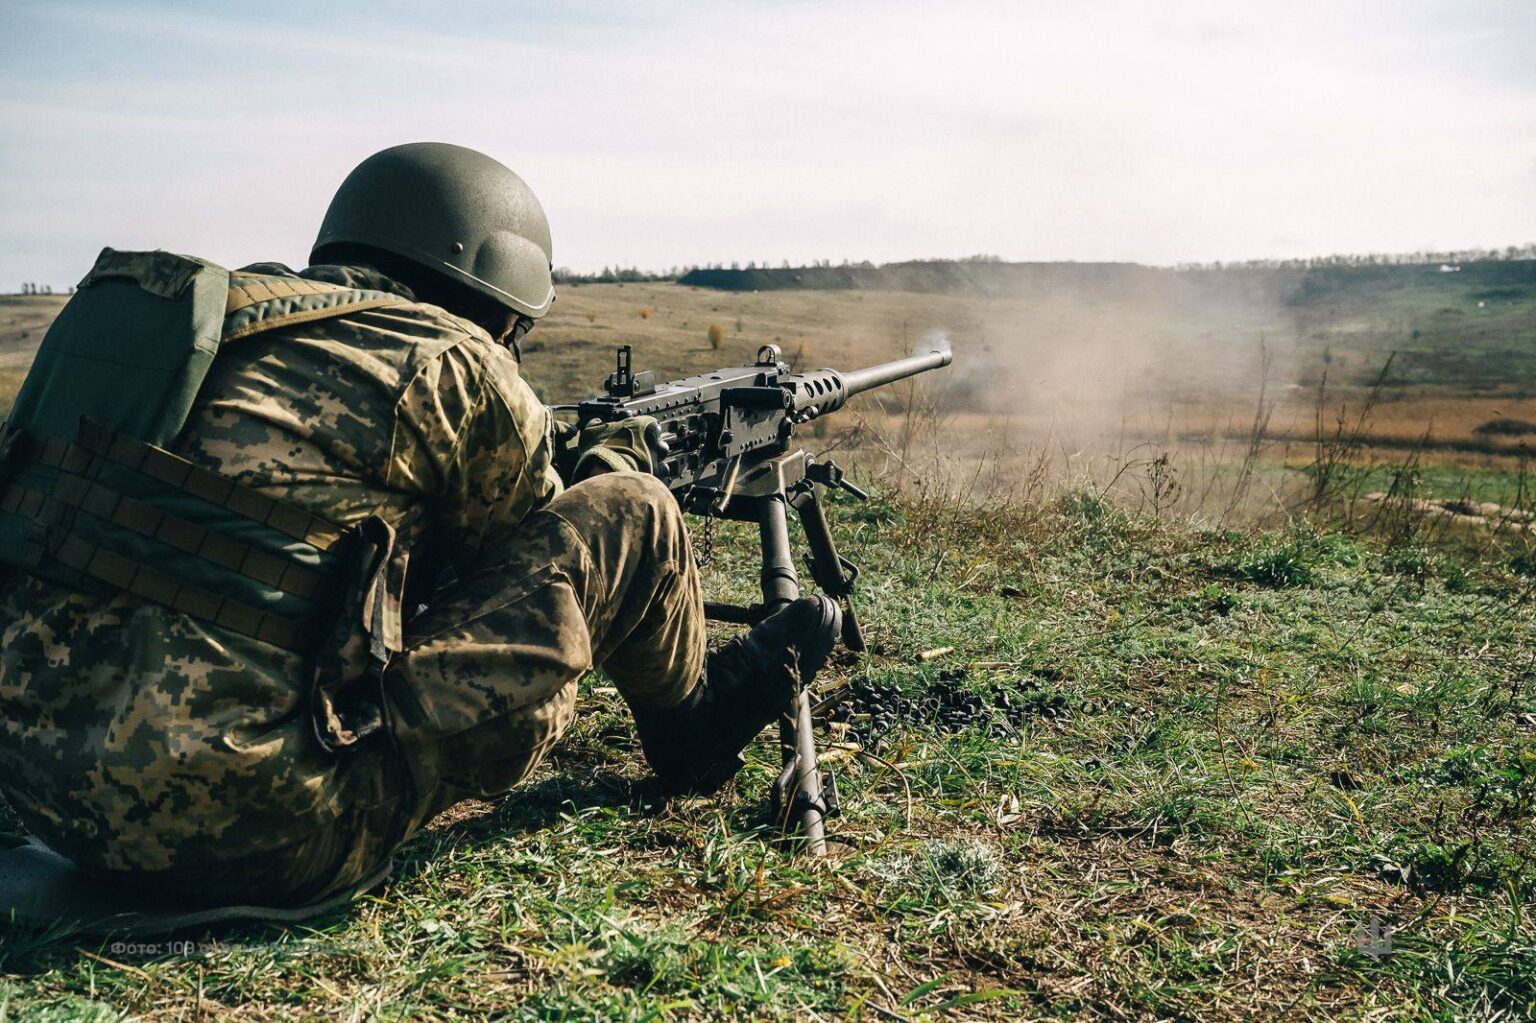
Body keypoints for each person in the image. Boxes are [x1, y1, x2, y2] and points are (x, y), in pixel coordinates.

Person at [0, 143, 839, 911]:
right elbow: (523, 553)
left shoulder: (201, 325)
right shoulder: (449, 359)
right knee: (638, 513)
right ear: (496, 304)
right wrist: (616, 466)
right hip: (265, 834)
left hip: (40, 794)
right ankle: (690, 726)